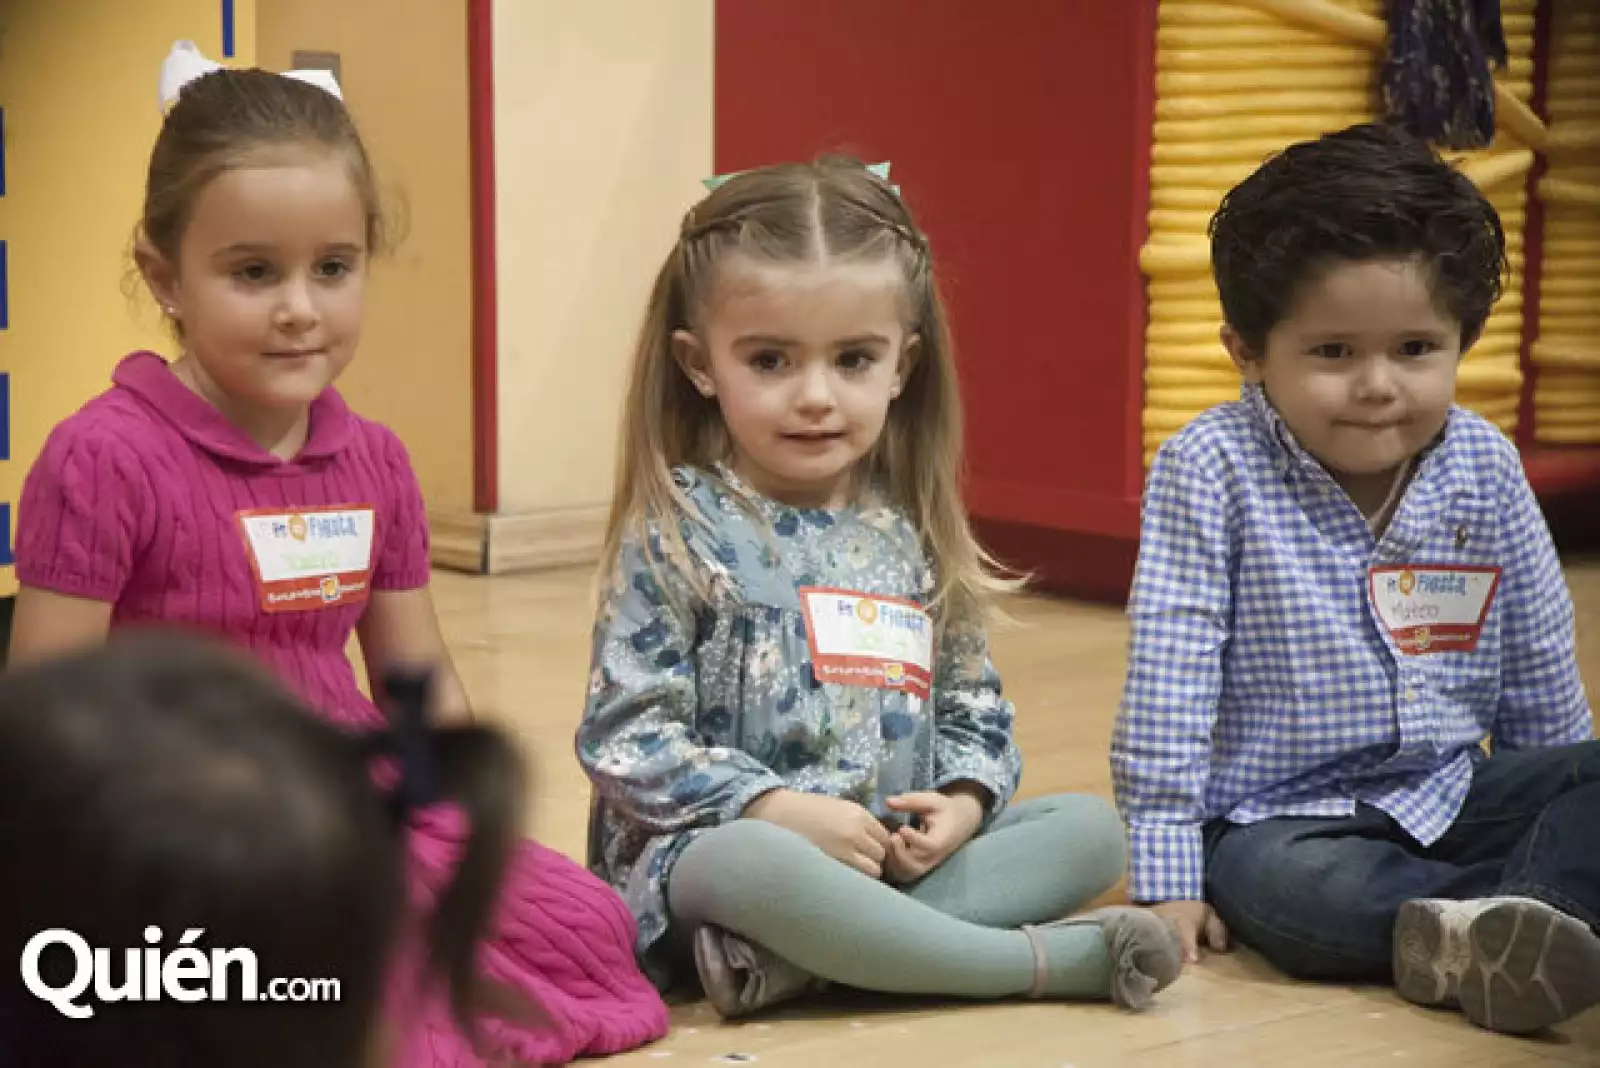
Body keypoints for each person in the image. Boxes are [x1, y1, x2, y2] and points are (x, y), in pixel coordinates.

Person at [8, 42, 669, 1064]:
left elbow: (415, 673)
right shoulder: (102, 457)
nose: (299, 308)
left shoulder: (376, 460)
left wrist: (465, 823)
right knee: (356, 969)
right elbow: (45, 710)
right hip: (178, 816)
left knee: (581, 922)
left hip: (349, 796)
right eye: (253, 272)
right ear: (163, 272)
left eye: (333, 268)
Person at [578, 156, 1182, 1018]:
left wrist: (966, 803)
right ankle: (1033, 965)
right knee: (744, 866)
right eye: (771, 360)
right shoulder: (680, 529)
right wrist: (776, 807)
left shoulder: (912, 534)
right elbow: (625, 738)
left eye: (854, 359)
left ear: (903, 365)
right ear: (699, 363)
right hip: (722, 861)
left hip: (885, 859)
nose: (816, 396)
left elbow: (975, 709)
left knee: (1090, 833)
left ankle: (797, 965)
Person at [1113, 121, 1600, 1035]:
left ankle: (1528, 917)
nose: (1378, 385)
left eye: (1415, 349)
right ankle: (1527, 917)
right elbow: (1167, 684)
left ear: (1464, 340)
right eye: (1333, 353)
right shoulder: (1209, 469)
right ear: (1248, 352)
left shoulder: (1486, 467)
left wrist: (1560, 792)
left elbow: (1540, 675)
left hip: (1455, 797)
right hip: (1285, 823)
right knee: (1302, 901)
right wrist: (1167, 877)